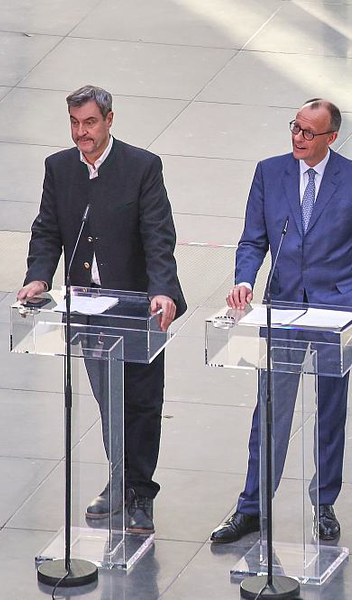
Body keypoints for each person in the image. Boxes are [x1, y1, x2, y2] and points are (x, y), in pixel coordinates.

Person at [210, 98, 352, 544]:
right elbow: (252, 240)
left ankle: (324, 504)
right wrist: (244, 281)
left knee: (330, 412)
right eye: (295, 127)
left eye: (309, 132)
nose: (298, 137)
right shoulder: (269, 173)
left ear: (331, 137)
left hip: (335, 315)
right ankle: (252, 507)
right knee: (270, 412)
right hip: (283, 309)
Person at [17, 84, 186, 534]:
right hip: (86, 308)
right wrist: (39, 276)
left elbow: (158, 236)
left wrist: (163, 291)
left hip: (139, 308)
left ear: (109, 120)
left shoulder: (142, 167)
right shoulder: (58, 168)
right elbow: (47, 230)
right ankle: (120, 481)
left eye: (89, 122)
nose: (81, 133)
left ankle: (140, 492)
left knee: (142, 403)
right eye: (74, 123)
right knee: (110, 401)